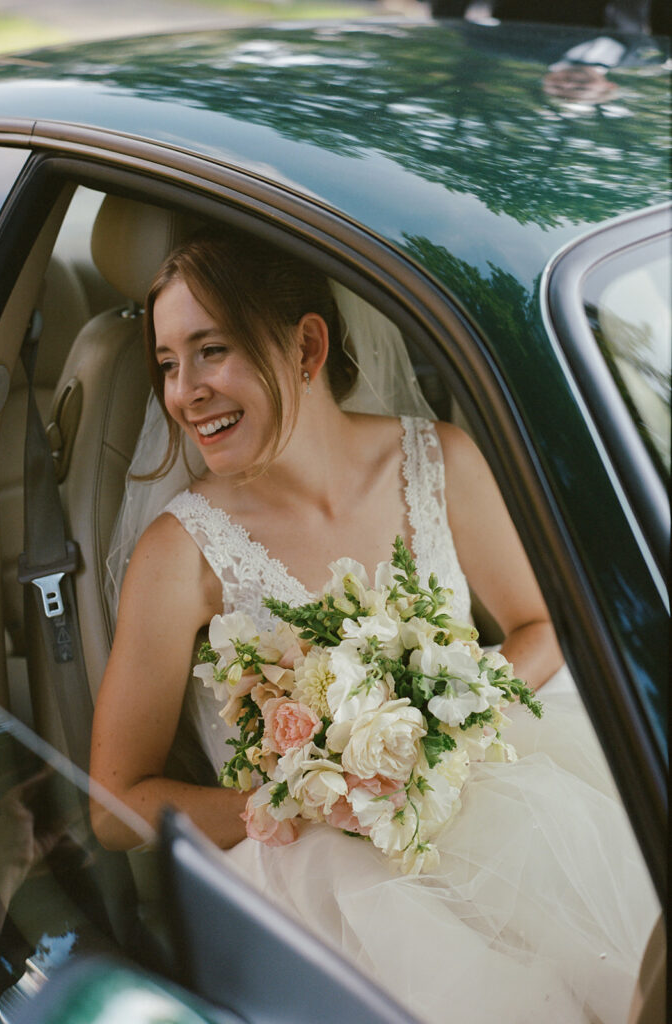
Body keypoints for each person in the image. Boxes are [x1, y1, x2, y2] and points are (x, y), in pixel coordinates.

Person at [90, 230, 657, 1023]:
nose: (184, 392)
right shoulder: (179, 555)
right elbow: (113, 805)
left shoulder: (440, 462)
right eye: (167, 364)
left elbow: (538, 627)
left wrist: (451, 719)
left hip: (485, 793)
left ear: (307, 347)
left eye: (209, 351)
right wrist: (291, 801)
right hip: (317, 867)